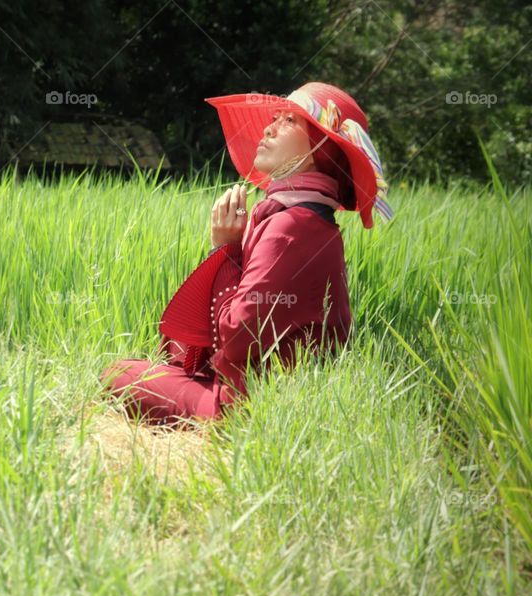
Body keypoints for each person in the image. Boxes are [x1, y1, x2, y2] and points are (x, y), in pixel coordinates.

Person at [99, 81, 394, 427]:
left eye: (289, 121)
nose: (269, 127)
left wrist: (225, 250)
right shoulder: (308, 220)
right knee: (175, 350)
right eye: (276, 117)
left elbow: (239, 337)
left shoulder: (291, 226)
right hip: (275, 395)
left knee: (117, 373)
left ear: (320, 148)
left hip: (245, 407)